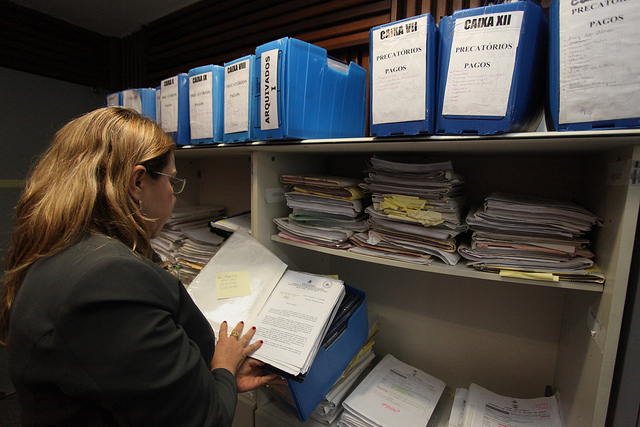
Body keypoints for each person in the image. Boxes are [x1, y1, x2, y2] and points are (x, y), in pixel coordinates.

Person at [0, 107, 286, 426]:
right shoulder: (109, 277)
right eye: (172, 181)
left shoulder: (60, 248)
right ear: (138, 181)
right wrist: (222, 366)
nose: (174, 196)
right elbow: (204, 421)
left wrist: (222, 380)